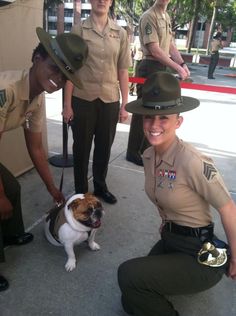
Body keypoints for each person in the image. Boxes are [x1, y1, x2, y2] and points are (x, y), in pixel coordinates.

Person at [118, 71, 236, 316]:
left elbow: (227, 208)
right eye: (149, 117)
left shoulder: (191, 160)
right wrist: (166, 221)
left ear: (178, 122)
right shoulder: (149, 156)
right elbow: (163, 196)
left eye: (164, 118)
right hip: (172, 241)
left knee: (128, 274)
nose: (154, 125)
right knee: (130, 299)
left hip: (199, 252)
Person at [0, 27, 88, 291]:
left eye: (64, 76)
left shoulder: (36, 99)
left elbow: (36, 148)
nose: (57, 79)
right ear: (37, 58)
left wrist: (52, 188)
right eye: (53, 68)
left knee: (12, 187)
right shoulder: (7, 90)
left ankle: (11, 234)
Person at [63, 0, 130, 204]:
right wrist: (67, 105)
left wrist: (125, 103)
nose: (101, 1)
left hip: (110, 99)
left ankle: (100, 186)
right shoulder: (78, 30)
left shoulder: (120, 33)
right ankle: (81, 191)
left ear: (111, 2)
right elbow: (70, 69)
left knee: (104, 147)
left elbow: (123, 70)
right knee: (81, 148)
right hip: (83, 99)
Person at [126, 0, 191, 166]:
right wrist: (177, 67)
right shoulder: (149, 16)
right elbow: (154, 49)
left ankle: (148, 150)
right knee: (143, 111)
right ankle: (133, 152)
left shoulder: (165, 16)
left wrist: (182, 64)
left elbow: (169, 45)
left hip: (162, 66)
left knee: (157, 110)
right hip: (149, 66)